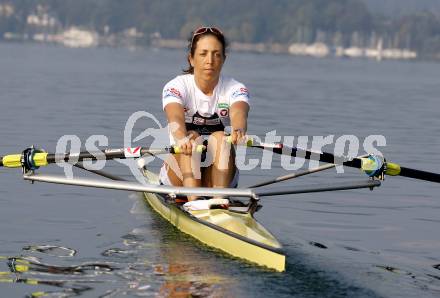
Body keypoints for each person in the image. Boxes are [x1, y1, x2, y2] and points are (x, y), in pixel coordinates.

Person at [159, 26, 250, 202]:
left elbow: (239, 110)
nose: (210, 60)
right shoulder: (176, 87)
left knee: (221, 138)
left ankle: (219, 201)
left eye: (216, 54)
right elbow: (175, 119)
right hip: (179, 175)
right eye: (203, 54)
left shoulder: (235, 88)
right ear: (191, 59)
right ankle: (194, 201)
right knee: (192, 137)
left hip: (219, 174)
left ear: (224, 59)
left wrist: (239, 129)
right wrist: (181, 138)